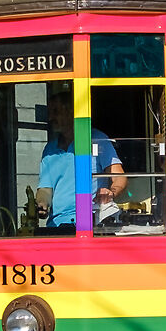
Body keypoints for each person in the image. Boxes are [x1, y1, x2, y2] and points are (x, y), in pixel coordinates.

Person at [36, 91, 123, 231]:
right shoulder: (50, 148)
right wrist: (42, 203)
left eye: (56, 111)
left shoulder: (98, 140)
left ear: (71, 112)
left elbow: (119, 177)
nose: (51, 117)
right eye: (50, 112)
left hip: (92, 222)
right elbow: (46, 188)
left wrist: (110, 193)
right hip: (58, 225)